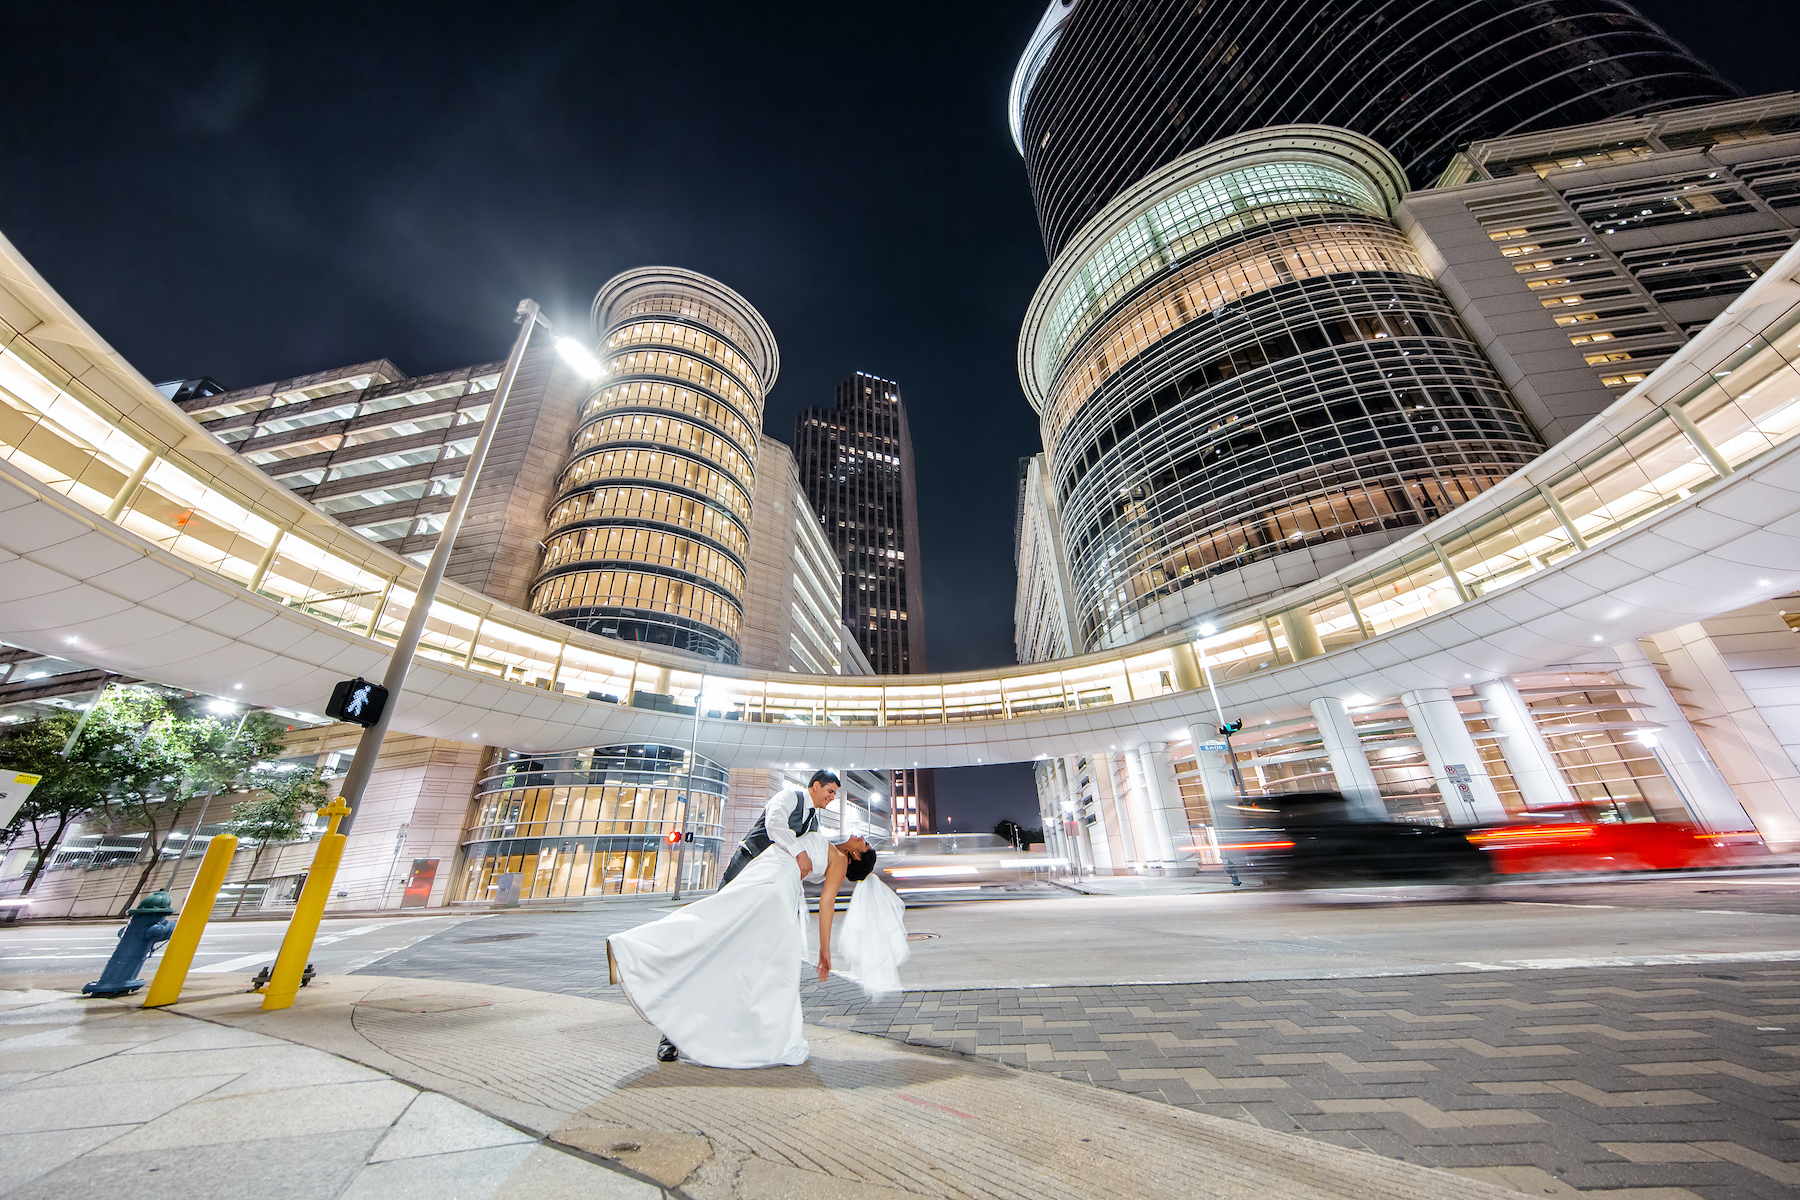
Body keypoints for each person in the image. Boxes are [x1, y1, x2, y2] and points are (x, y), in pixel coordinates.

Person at [605, 827, 879, 1067]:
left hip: (772, 892)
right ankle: (637, 953)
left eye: (864, 845)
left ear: (856, 856)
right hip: (762, 874)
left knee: (733, 947)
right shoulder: (823, 835)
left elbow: (827, 902)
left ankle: (640, 958)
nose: (863, 838)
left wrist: (824, 949)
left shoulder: (840, 860)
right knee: (716, 935)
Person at [717, 768, 840, 888]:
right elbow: (775, 824)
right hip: (749, 858)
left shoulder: (814, 822)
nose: (832, 797)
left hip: (770, 869)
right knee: (724, 900)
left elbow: (815, 848)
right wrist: (800, 853)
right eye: (830, 791)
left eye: (834, 794)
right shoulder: (789, 796)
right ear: (816, 786)